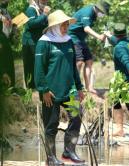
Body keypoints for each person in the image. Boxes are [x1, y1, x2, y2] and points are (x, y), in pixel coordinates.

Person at [34, 10, 85, 165]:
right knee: (51, 125)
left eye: (67, 24)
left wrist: (79, 87)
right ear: (54, 26)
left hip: (70, 90)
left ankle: (69, 151)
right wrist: (43, 90)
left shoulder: (69, 40)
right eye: (63, 25)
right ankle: (50, 158)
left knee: (76, 118)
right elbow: (39, 69)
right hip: (51, 92)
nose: (66, 27)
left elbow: (73, 66)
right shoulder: (44, 42)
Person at [105, 23, 129, 142]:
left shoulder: (119, 47)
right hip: (120, 79)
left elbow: (126, 61)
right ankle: (119, 129)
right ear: (125, 33)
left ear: (116, 34)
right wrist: (108, 35)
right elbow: (116, 41)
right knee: (115, 102)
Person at [68, 0, 111, 94]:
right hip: (72, 37)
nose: (103, 15)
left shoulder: (94, 15)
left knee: (89, 61)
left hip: (81, 39)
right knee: (79, 61)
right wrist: (99, 37)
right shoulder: (88, 12)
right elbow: (86, 29)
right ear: (98, 9)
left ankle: (89, 87)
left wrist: (105, 34)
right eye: (103, 12)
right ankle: (74, 86)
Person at [22, 0, 50, 89]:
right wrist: (45, 15)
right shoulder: (31, 9)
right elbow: (31, 23)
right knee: (30, 65)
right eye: (43, 1)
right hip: (29, 42)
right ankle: (30, 87)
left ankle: (37, 84)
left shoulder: (40, 11)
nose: (45, 2)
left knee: (38, 64)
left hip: (36, 41)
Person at [0, 0, 15, 87]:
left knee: (9, 67)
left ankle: (11, 89)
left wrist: (13, 31)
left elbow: (7, 28)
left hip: (6, 40)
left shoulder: (5, 10)